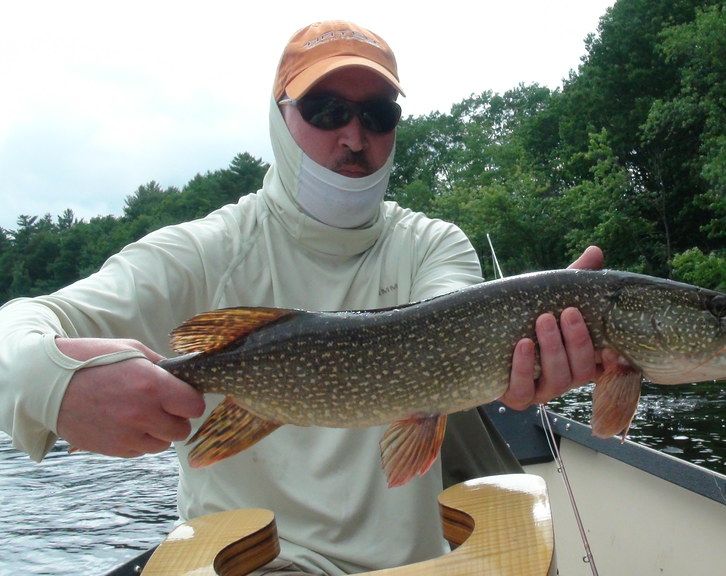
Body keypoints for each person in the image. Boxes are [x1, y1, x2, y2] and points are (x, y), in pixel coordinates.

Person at [0, 20, 609, 575]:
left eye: (378, 113)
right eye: (325, 109)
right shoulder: (206, 250)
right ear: (280, 118)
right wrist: (55, 382)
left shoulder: (432, 246)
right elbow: (19, 326)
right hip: (250, 561)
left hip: (413, 567)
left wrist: (535, 322)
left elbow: (451, 321)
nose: (354, 134)